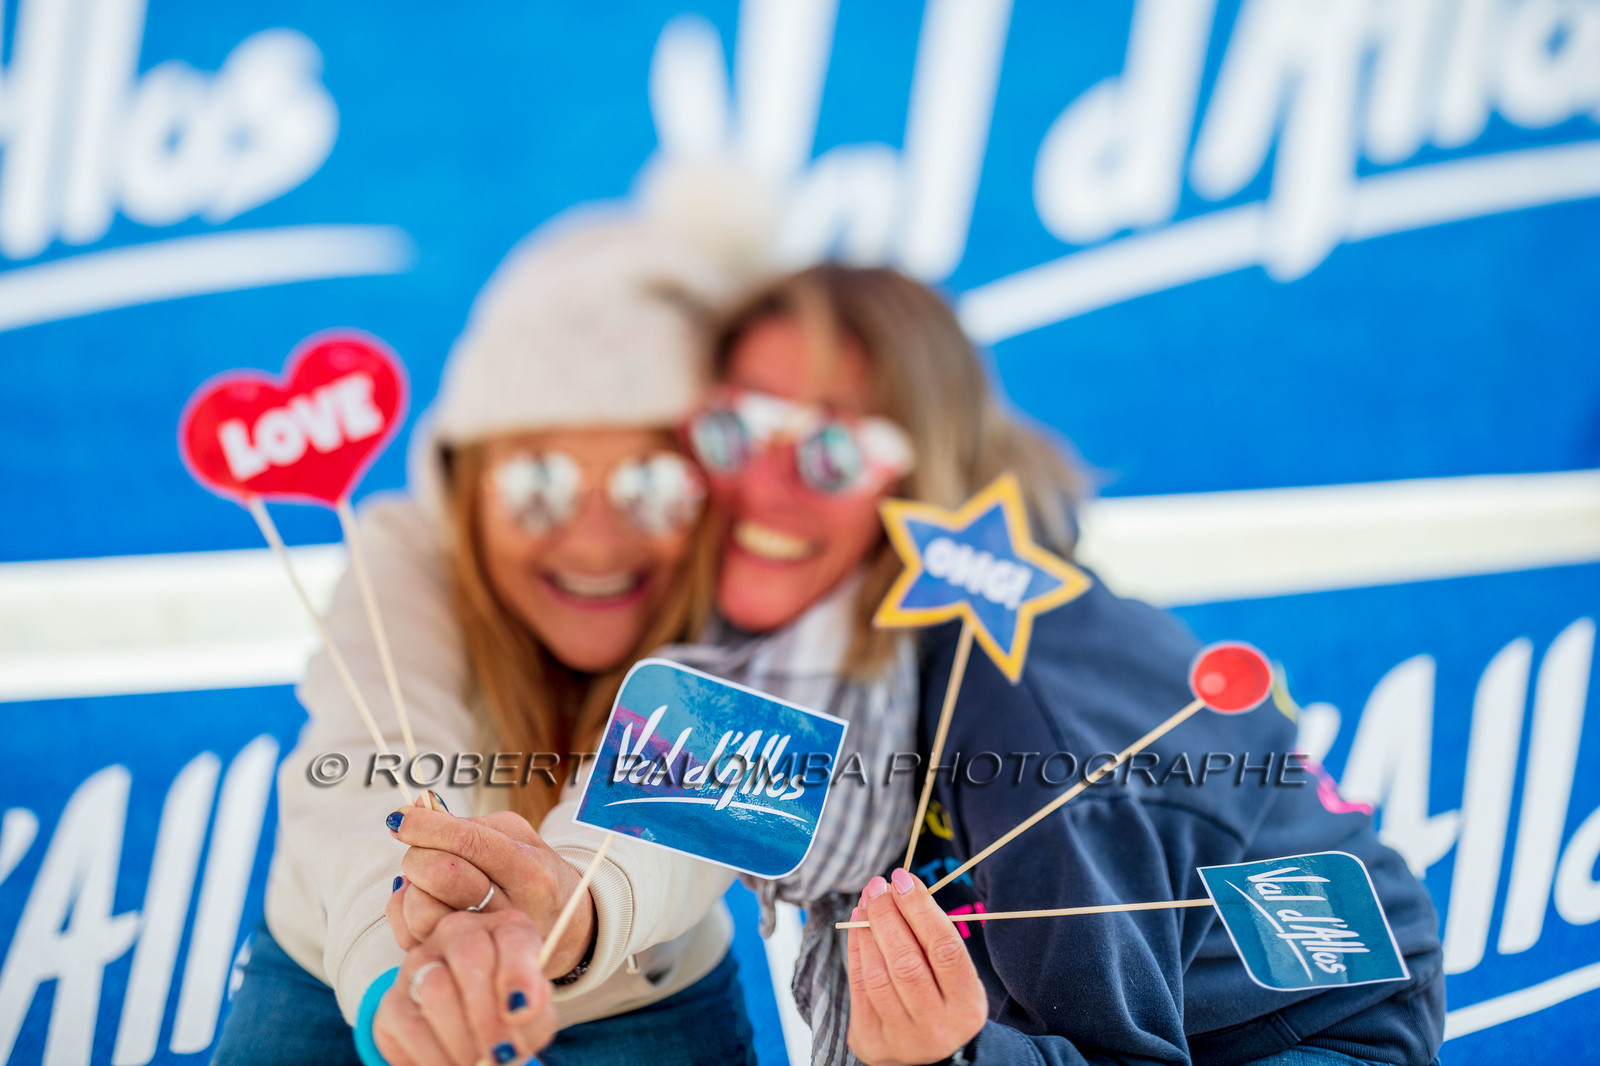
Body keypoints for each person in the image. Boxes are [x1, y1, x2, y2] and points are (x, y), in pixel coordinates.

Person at [687, 264, 1445, 1066]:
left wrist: (960, 1059)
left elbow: (1124, 1054)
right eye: (735, 428)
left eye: (829, 451)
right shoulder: (831, 648)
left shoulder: (1030, 729)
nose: (761, 488)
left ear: (924, 468)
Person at [213, 207, 759, 1066]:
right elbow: (368, 757)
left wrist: (567, 910)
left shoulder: (760, 577)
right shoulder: (406, 549)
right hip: (360, 959)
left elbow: (700, 787)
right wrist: (410, 967)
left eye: (654, 482)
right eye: (538, 481)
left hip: (637, 981)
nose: (595, 542)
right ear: (464, 484)